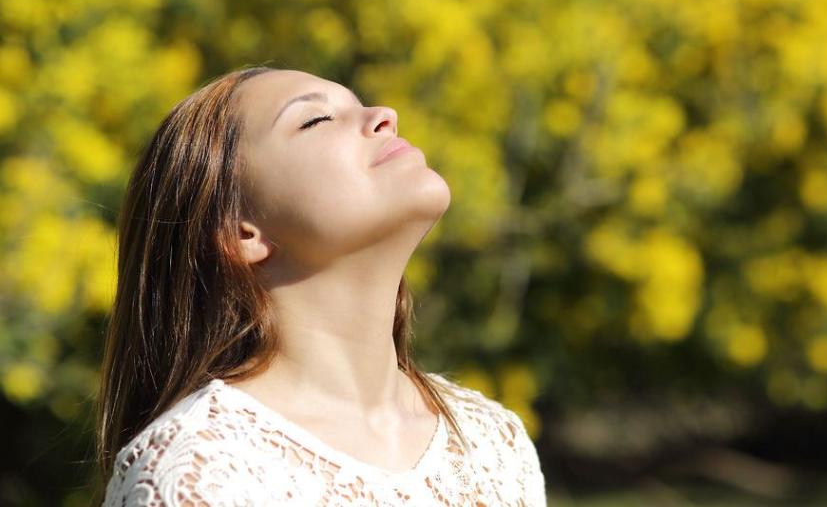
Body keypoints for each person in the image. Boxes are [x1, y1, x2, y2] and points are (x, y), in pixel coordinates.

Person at [94, 66, 546, 506]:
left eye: (360, 104)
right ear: (241, 233)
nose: (384, 114)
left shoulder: (492, 443)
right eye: (316, 119)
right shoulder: (199, 468)